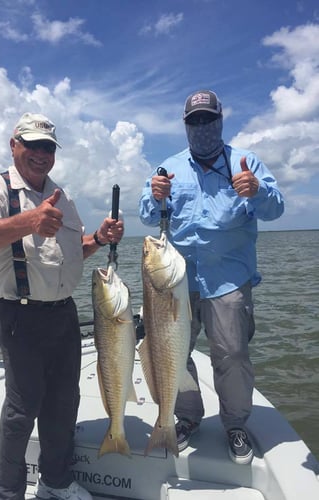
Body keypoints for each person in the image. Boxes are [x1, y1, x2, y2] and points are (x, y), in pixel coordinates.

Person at [0, 112, 124, 500]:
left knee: (63, 402)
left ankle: (54, 482)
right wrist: (30, 220)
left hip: (63, 314)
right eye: (33, 145)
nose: (41, 153)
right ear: (14, 145)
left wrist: (99, 239)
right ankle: (9, 493)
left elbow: (71, 253)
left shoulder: (64, 197)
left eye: (48, 147)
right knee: (22, 410)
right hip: (17, 314)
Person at [139, 90, 284, 464]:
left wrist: (259, 190)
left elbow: (276, 207)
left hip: (229, 279)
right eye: (194, 121)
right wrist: (155, 196)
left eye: (208, 119)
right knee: (174, 352)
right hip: (176, 284)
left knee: (232, 353)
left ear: (221, 119)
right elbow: (146, 213)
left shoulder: (245, 161)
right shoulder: (168, 166)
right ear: (185, 125)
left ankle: (235, 424)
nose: (202, 127)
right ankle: (187, 417)